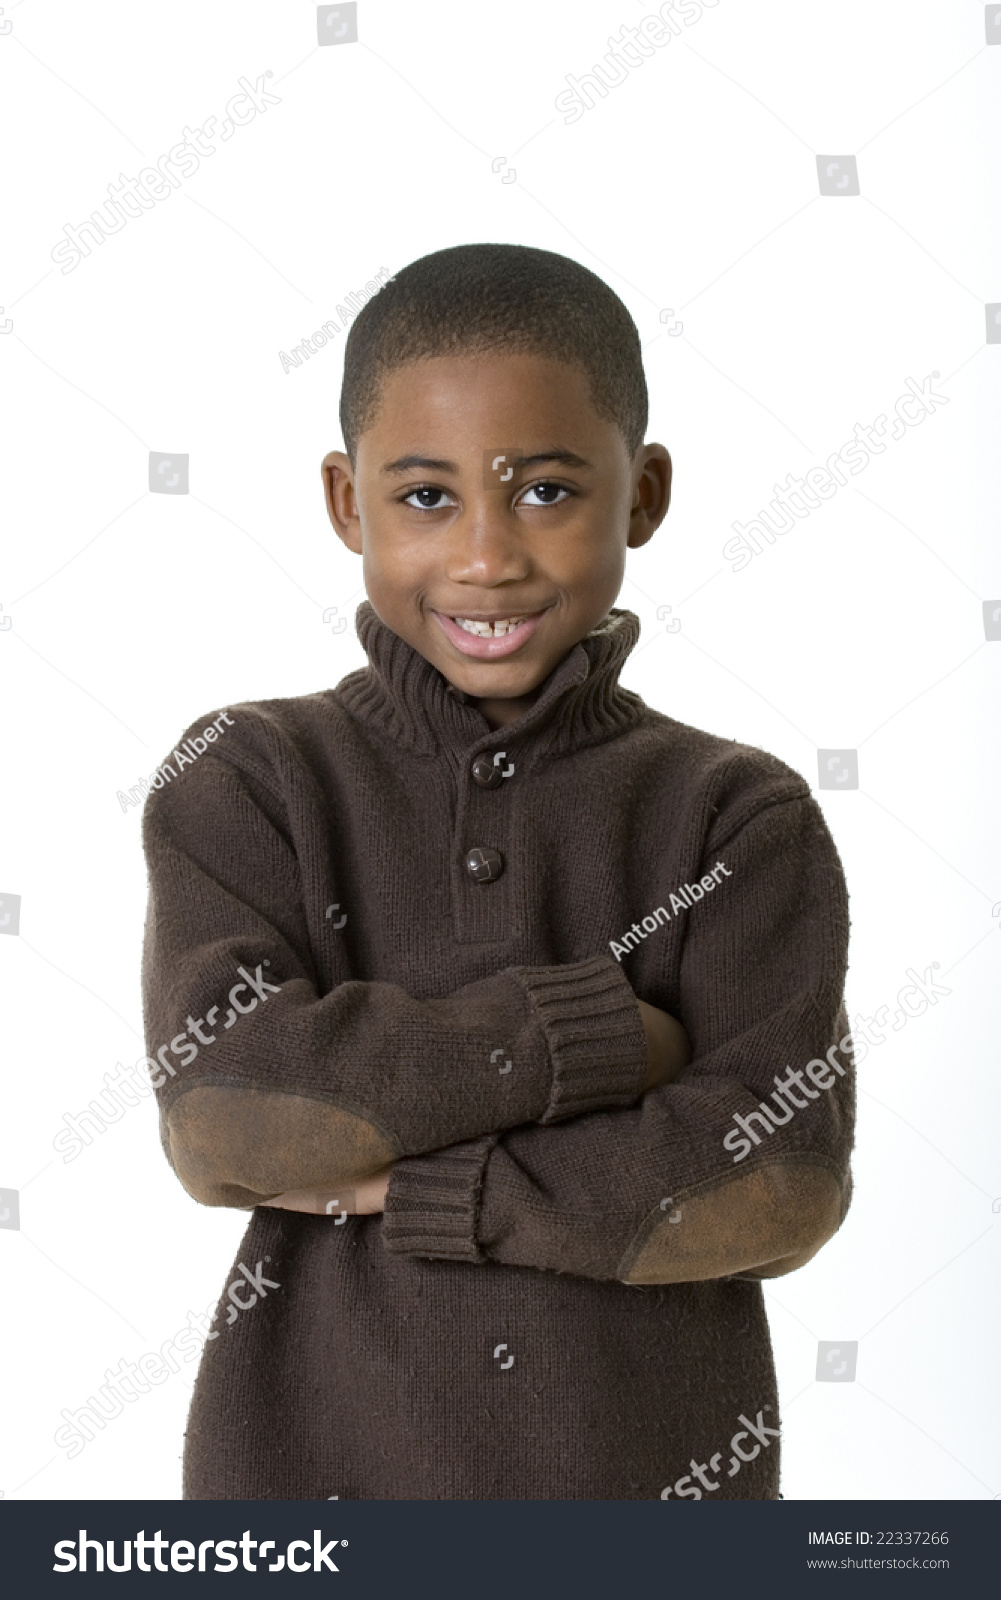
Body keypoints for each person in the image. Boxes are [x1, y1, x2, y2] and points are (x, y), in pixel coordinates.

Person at [140, 242, 854, 1501]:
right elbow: (231, 1115)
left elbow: (772, 1179)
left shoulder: (736, 817)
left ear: (641, 495)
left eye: (543, 492)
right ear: (345, 502)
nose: (484, 555)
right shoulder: (249, 776)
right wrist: (602, 1039)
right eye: (424, 496)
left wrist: (422, 1187)